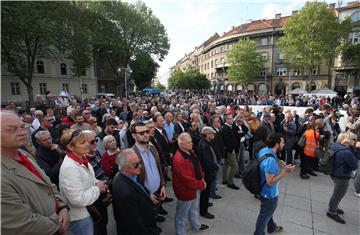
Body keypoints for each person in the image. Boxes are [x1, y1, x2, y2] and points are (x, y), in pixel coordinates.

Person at [1, 111, 70, 234]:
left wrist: (62, 206)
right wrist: (57, 223)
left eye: (22, 127)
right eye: (12, 130)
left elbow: (47, 183)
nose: (22, 133)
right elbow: (22, 223)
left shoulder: (24, 154)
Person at [59, 129, 108, 235]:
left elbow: (87, 178)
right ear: (70, 147)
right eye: (82, 143)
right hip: (81, 218)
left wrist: (97, 182)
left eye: (86, 141)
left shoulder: (81, 158)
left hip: (89, 211)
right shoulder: (69, 168)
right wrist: (97, 188)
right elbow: (77, 199)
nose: (87, 145)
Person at [254, 133, 295, 235]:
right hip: (269, 193)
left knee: (268, 212)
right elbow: (270, 182)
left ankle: (271, 227)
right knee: (264, 215)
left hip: (263, 190)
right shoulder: (270, 161)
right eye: (282, 142)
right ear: (276, 144)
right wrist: (284, 171)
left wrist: (279, 161)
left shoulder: (264, 150)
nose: (283, 144)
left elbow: (266, 161)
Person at [112, 149, 160, 235]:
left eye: (140, 162)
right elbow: (135, 224)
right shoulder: (126, 193)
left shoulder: (129, 174)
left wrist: (147, 194)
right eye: (136, 165)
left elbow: (138, 186)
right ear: (124, 167)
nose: (140, 166)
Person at [131, 122, 167, 224]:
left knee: (153, 216)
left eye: (146, 132)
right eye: (141, 133)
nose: (146, 134)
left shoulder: (152, 149)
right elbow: (133, 180)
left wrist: (163, 185)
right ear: (134, 136)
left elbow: (158, 168)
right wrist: (146, 193)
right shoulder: (131, 154)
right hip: (144, 197)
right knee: (146, 220)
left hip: (158, 192)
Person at [172, 132, 209, 235]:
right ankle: (180, 232)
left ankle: (196, 225)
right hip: (186, 190)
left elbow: (197, 165)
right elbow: (187, 179)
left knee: (194, 208)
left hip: (195, 186)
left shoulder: (190, 151)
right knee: (182, 214)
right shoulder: (179, 159)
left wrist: (202, 177)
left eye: (191, 142)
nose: (191, 144)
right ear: (180, 144)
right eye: (188, 143)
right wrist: (201, 184)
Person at [83, 130, 112, 235]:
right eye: (92, 142)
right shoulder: (83, 160)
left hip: (103, 191)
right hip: (94, 198)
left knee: (104, 221)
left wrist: (107, 190)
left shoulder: (96, 153)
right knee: (98, 225)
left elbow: (102, 171)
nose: (96, 143)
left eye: (96, 140)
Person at [327, 132, 358, 224]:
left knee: (338, 193)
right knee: (338, 194)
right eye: (354, 139)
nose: (355, 141)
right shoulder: (347, 152)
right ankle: (331, 211)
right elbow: (354, 165)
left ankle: (334, 207)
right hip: (342, 175)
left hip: (335, 173)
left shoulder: (336, 145)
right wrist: (354, 151)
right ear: (348, 140)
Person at [198, 126, 218, 219]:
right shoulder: (204, 145)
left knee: (206, 192)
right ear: (207, 135)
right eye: (212, 133)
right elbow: (208, 162)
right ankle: (203, 211)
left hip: (208, 172)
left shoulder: (206, 142)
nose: (213, 134)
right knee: (205, 192)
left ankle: (204, 203)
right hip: (207, 173)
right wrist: (215, 167)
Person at [222, 114, 239, 190]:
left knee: (226, 164)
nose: (232, 120)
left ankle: (225, 179)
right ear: (226, 120)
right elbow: (227, 141)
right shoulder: (226, 128)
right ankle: (230, 182)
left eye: (232, 118)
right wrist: (231, 149)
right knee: (234, 165)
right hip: (230, 150)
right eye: (230, 119)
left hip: (229, 149)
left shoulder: (229, 127)